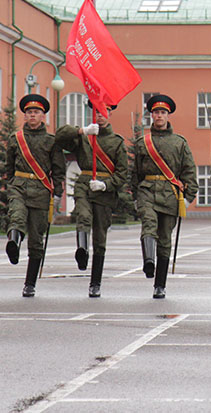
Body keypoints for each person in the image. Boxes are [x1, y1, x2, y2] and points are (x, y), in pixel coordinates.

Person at [56, 101, 128, 297]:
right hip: (85, 184)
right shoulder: (85, 137)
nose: (100, 116)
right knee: (83, 216)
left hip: (104, 190)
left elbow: (122, 174)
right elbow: (60, 136)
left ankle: (95, 282)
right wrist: (81, 131)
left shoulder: (116, 142)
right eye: (97, 112)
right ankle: (81, 251)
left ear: (110, 114)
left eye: (104, 112)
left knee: (100, 237)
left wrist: (106, 185)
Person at [132, 94, 197, 300]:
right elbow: (134, 172)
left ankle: (160, 285)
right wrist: (135, 196)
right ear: (151, 115)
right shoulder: (143, 142)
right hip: (148, 190)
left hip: (170, 195)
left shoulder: (179, 143)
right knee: (149, 225)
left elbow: (189, 171)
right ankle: (149, 262)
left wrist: (188, 197)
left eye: (163, 112)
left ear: (168, 116)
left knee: (165, 241)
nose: (159, 115)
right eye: (156, 112)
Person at [5, 94, 66, 297]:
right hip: (20, 185)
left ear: (43, 117)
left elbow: (58, 169)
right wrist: (10, 185)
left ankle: (30, 283)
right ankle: (13, 243)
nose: (32, 115)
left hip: (41, 190)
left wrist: (57, 193)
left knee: (36, 239)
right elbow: (9, 166)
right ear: (25, 116)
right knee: (16, 216)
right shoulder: (15, 139)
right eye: (29, 112)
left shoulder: (51, 141)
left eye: (36, 112)